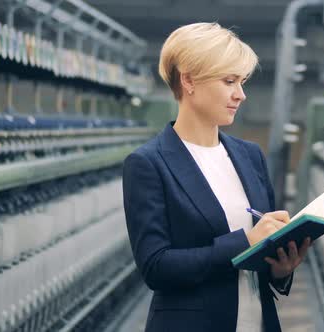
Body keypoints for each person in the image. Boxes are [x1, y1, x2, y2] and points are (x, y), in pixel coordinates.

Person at [122, 22, 311, 332]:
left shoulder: (250, 156)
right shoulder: (148, 164)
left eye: (242, 82)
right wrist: (245, 242)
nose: (241, 94)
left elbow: (263, 257)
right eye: (229, 81)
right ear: (188, 80)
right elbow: (156, 267)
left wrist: (281, 268)